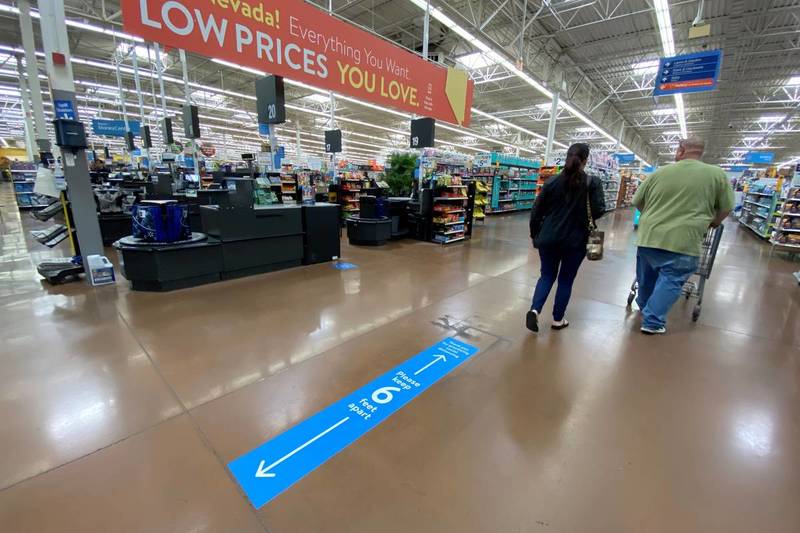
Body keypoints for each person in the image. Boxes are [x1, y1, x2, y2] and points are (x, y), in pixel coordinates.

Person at [632, 137, 734, 335]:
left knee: (646, 277)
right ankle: (652, 321)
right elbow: (726, 207)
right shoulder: (716, 175)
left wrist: (652, 217)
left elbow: (637, 201)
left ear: (680, 150)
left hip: (649, 237)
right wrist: (713, 222)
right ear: (700, 152)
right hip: (685, 239)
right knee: (672, 278)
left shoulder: (659, 173)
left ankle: (645, 308)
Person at [526, 143, 606, 333]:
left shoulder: (552, 182)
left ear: (566, 158)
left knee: (546, 276)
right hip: (576, 241)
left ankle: (535, 310)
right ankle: (557, 320)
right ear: (585, 161)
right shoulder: (592, 183)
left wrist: (535, 234)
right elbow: (599, 210)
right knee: (566, 280)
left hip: (548, 238)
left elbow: (536, 211)